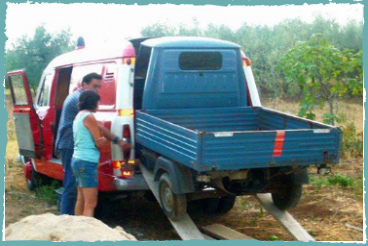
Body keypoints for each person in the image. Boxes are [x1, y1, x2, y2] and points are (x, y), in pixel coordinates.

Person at [55, 73, 130, 215]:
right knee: (74, 189)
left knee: (78, 193)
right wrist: (116, 140)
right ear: (84, 85)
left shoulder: (79, 102)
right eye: (95, 86)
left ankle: (71, 222)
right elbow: (98, 129)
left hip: (74, 148)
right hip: (72, 146)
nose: (97, 91)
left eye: (99, 87)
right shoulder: (82, 100)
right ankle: (66, 219)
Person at [72, 90, 103, 217]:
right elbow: (98, 142)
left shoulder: (78, 115)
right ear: (93, 102)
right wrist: (103, 138)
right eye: (98, 102)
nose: (99, 104)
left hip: (77, 159)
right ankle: (86, 234)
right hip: (87, 161)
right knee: (91, 203)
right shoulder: (89, 117)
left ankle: (77, 228)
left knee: (81, 198)